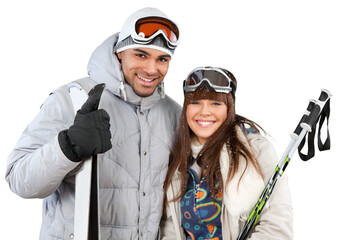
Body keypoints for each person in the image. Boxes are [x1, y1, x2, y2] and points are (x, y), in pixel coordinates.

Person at [5, 7, 182, 240]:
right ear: (120, 52)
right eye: (140, 55)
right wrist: (67, 146)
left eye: (162, 59)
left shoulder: (174, 113)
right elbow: (19, 180)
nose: (151, 69)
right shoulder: (73, 99)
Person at [160, 67, 293, 239]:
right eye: (195, 102)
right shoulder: (178, 157)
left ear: (229, 108)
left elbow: (276, 223)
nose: (204, 111)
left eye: (215, 103)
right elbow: (169, 225)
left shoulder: (256, 150)